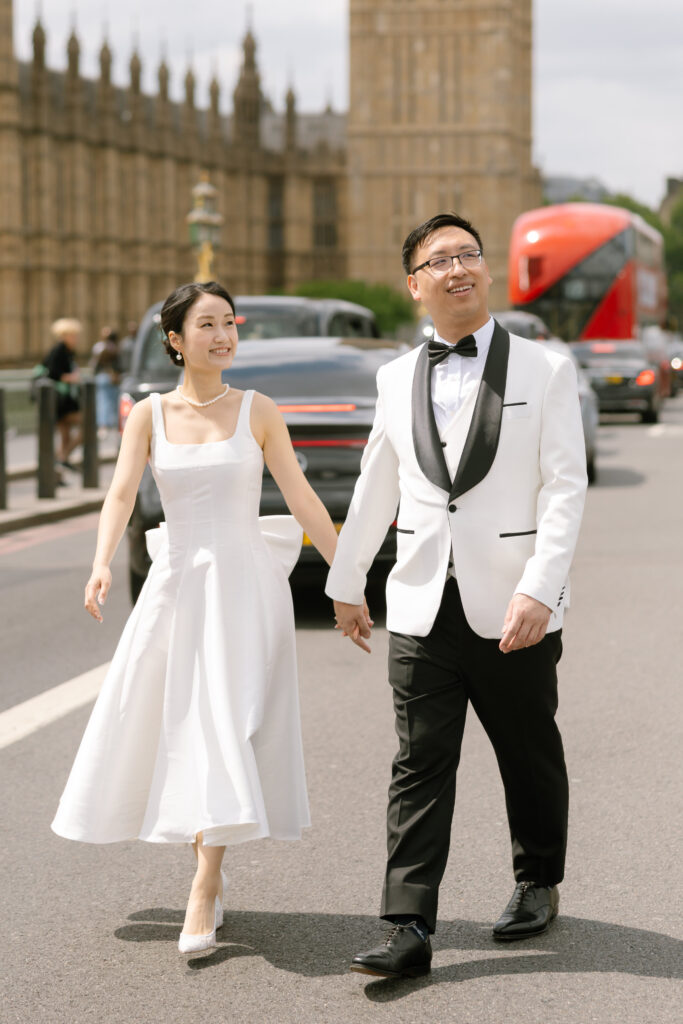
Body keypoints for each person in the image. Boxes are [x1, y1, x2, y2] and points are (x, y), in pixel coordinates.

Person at [326, 212, 588, 978]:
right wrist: (347, 582)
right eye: (439, 260)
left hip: (513, 602)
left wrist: (540, 588)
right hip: (419, 605)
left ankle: (537, 880)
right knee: (418, 763)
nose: (458, 268)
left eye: (468, 254)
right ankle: (407, 925)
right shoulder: (393, 376)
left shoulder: (544, 369)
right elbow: (379, 484)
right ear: (415, 287)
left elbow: (564, 489)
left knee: (527, 751)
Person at [52, 281, 340, 955]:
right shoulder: (148, 415)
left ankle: (205, 883)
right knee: (183, 726)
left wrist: (346, 578)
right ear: (175, 340)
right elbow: (121, 493)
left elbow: (301, 499)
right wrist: (99, 564)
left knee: (227, 726)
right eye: (205, 325)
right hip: (178, 586)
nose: (222, 337)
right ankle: (207, 863)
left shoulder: (258, 410)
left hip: (245, 590)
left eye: (228, 324)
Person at [43, 318, 82, 471]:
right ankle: (62, 458)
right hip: (61, 401)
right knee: (86, 425)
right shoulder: (59, 350)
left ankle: (58, 469)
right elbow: (53, 373)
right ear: (65, 335)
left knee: (65, 436)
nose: (76, 339)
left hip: (64, 400)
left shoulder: (68, 352)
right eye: (73, 335)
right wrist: (71, 378)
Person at [89, 326, 121, 437]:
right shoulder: (115, 347)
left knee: (104, 401)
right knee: (111, 401)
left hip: (103, 376)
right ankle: (111, 425)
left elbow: (94, 364)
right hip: (111, 377)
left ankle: (104, 426)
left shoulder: (99, 347)